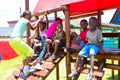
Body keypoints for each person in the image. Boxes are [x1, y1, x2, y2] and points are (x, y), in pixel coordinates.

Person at [9, 10, 47, 77]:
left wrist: (38, 20)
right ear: (27, 15)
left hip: (11, 41)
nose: (31, 16)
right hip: (17, 40)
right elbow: (32, 28)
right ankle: (26, 69)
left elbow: (31, 24)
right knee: (30, 52)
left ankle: (24, 69)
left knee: (24, 55)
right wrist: (39, 20)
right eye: (30, 15)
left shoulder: (21, 20)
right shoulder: (26, 21)